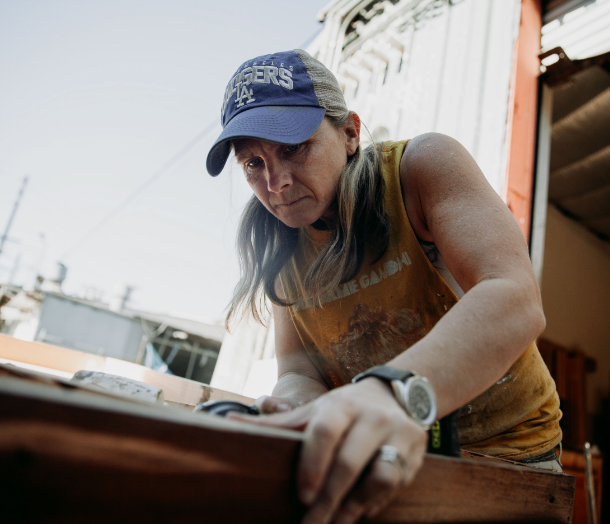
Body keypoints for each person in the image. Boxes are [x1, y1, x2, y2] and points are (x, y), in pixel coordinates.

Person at [206, 49, 562, 524]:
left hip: (510, 457)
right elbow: (298, 366)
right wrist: (289, 407)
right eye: (253, 164)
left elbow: (514, 298)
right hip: (378, 454)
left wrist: (391, 391)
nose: (277, 183)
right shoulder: (281, 246)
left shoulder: (419, 170)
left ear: (350, 132)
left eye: (293, 148)